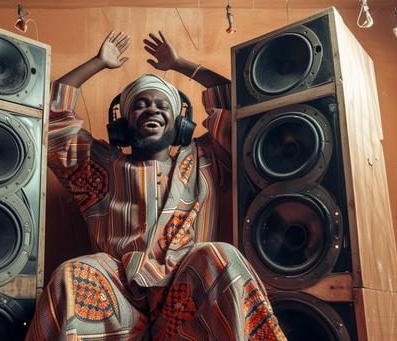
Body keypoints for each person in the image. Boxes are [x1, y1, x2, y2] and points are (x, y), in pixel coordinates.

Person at [26, 31, 285, 341]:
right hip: (119, 296)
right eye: (141, 104)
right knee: (71, 273)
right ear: (123, 123)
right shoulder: (97, 165)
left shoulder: (207, 159)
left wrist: (180, 64)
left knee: (220, 255)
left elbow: (240, 106)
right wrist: (97, 62)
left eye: (163, 105)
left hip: (188, 296)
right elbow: (51, 116)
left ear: (179, 124)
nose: (152, 109)